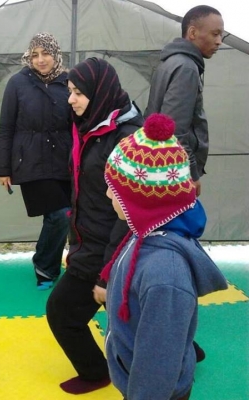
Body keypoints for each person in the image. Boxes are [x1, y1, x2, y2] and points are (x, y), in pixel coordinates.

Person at [101, 113, 228, 400]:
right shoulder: (144, 232)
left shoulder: (165, 275)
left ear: (142, 200)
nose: (108, 194)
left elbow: (157, 366)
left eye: (115, 189)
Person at [45, 57, 143, 394]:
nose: (70, 99)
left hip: (106, 249)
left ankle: (96, 373)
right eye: (70, 91)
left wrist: (106, 272)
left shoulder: (125, 139)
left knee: (61, 312)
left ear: (99, 93)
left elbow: (129, 215)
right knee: (131, 313)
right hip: (89, 241)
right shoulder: (90, 126)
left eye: (78, 92)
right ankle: (186, 347)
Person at [0, 32, 71, 290]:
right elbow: (6, 127)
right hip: (30, 161)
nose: (40, 60)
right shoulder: (18, 83)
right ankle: (44, 267)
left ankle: (64, 263)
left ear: (56, 54)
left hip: (63, 160)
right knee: (60, 215)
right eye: (35, 54)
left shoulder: (68, 81)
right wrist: (3, 168)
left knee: (67, 215)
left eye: (46, 53)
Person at [145, 5, 224, 197]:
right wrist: (190, 173)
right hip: (174, 171)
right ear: (193, 32)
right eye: (215, 34)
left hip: (160, 164)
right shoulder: (186, 68)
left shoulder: (170, 61)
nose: (219, 42)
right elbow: (174, 130)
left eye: (221, 35)